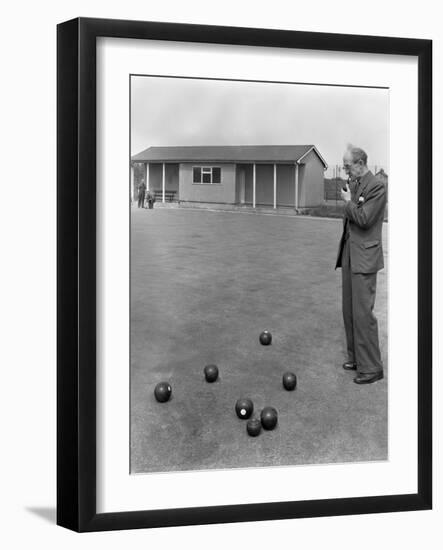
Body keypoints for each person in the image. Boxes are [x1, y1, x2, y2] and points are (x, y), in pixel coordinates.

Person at [335, 147, 387, 384]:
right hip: (350, 254)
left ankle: (372, 367)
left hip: (364, 258)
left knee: (363, 313)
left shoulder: (376, 186)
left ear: (361, 162)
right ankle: (356, 358)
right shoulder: (356, 183)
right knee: (349, 310)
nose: (346, 170)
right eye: (344, 166)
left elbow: (364, 219)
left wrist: (347, 202)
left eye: (348, 166)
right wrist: (350, 197)